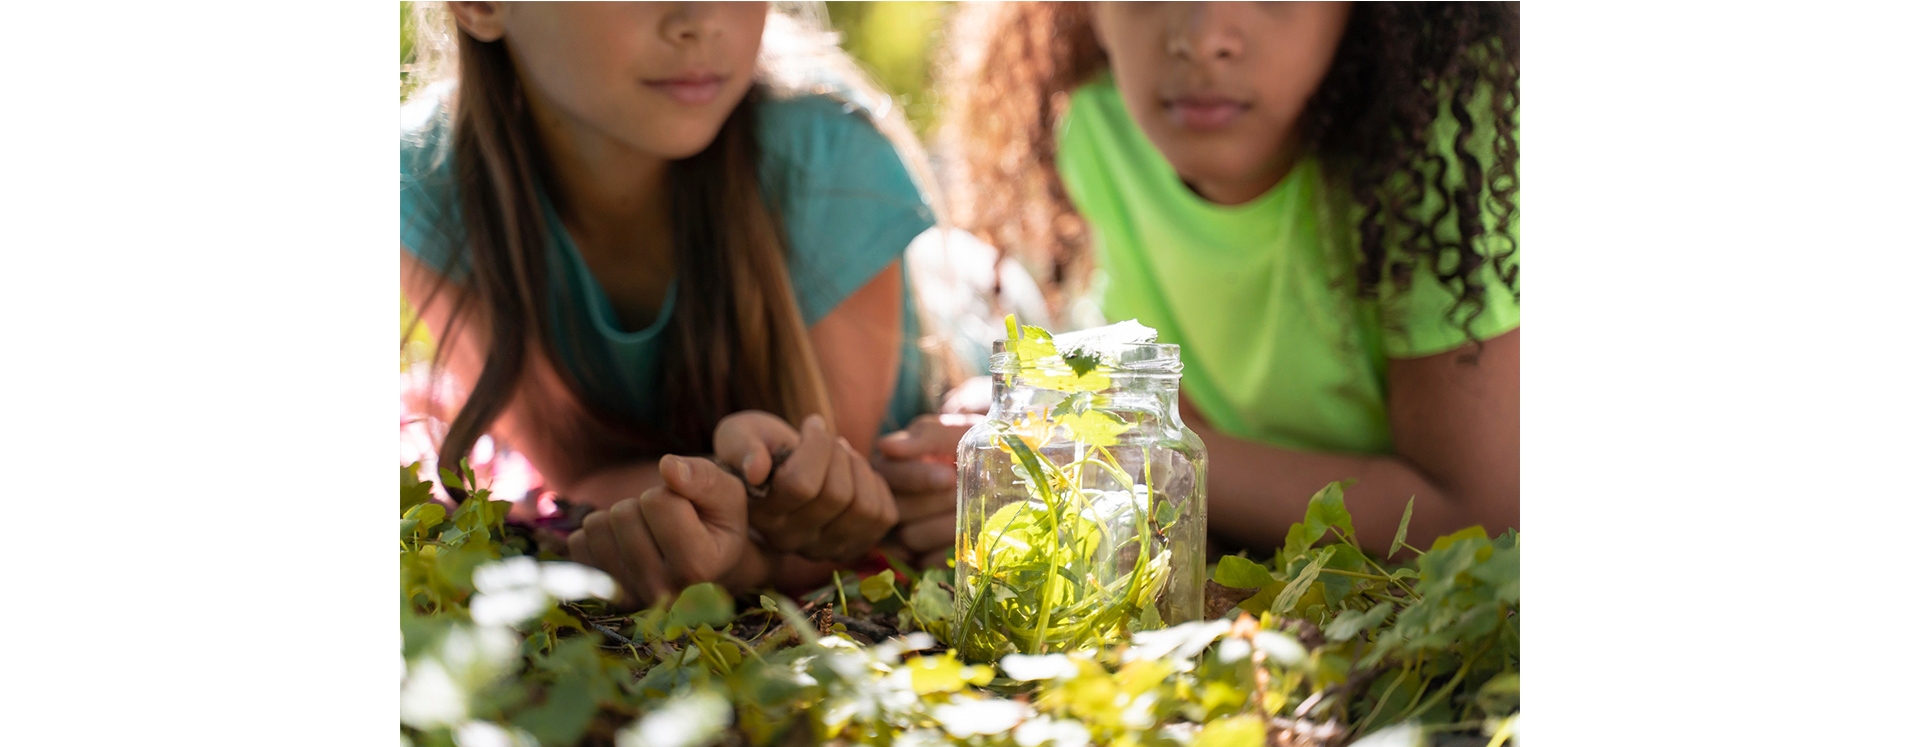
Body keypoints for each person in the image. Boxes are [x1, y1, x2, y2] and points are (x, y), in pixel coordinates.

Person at [399, 1, 950, 606]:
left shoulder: (831, 154)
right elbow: (582, 474)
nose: (700, 17)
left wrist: (740, 524)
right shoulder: (422, 179)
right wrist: (724, 523)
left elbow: (814, 533)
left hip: (949, 330)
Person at [932, 2, 1521, 556]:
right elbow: (1192, 423)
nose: (1202, 39)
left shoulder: (1443, 155)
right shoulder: (1104, 131)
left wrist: (1108, 448)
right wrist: (1039, 448)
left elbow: (1483, 515)